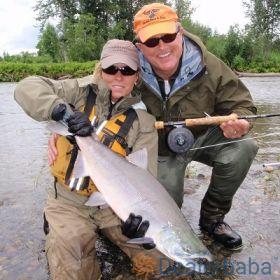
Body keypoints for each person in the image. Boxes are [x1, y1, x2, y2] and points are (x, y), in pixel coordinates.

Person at [50, 3, 258, 251]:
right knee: (162, 208)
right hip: (157, 149)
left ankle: (213, 220)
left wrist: (242, 123)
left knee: (244, 148)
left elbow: (244, 105)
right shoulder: (127, 69)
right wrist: (60, 125)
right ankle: (113, 218)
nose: (162, 46)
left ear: (180, 33)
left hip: (203, 138)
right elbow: (92, 89)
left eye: (168, 36)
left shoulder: (209, 65)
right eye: (152, 41)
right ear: (140, 46)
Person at [14, 39, 168, 280]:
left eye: (127, 70)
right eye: (111, 69)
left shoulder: (144, 121)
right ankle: (56, 222)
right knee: (73, 270)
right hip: (68, 202)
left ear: (137, 76)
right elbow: (26, 88)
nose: (119, 76)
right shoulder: (77, 91)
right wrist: (60, 111)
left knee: (160, 264)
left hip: (115, 207)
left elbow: (145, 181)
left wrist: (138, 221)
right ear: (100, 69)